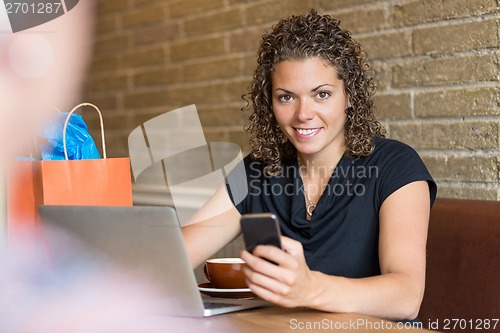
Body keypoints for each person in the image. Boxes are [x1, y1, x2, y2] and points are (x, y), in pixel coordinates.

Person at [182, 9, 437, 321]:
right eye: (286, 97)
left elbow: (406, 297)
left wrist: (310, 288)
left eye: (322, 94)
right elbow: (180, 252)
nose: (303, 114)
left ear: (349, 96)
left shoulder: (395, 165)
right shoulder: (258, 170)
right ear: (269, 103)